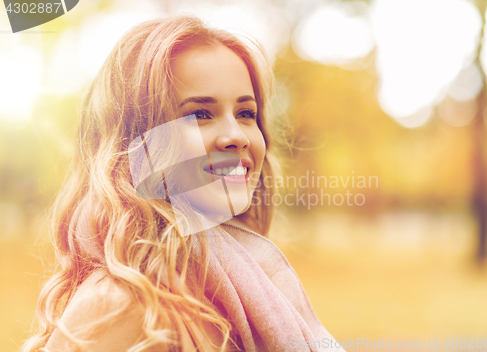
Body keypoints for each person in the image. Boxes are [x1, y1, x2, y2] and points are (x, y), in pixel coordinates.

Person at [20, 15, 344, 352]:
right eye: (200, 115)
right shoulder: (119, 304)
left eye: (246, 114)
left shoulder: (253, 283)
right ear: (137, 143)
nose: (236, 136)